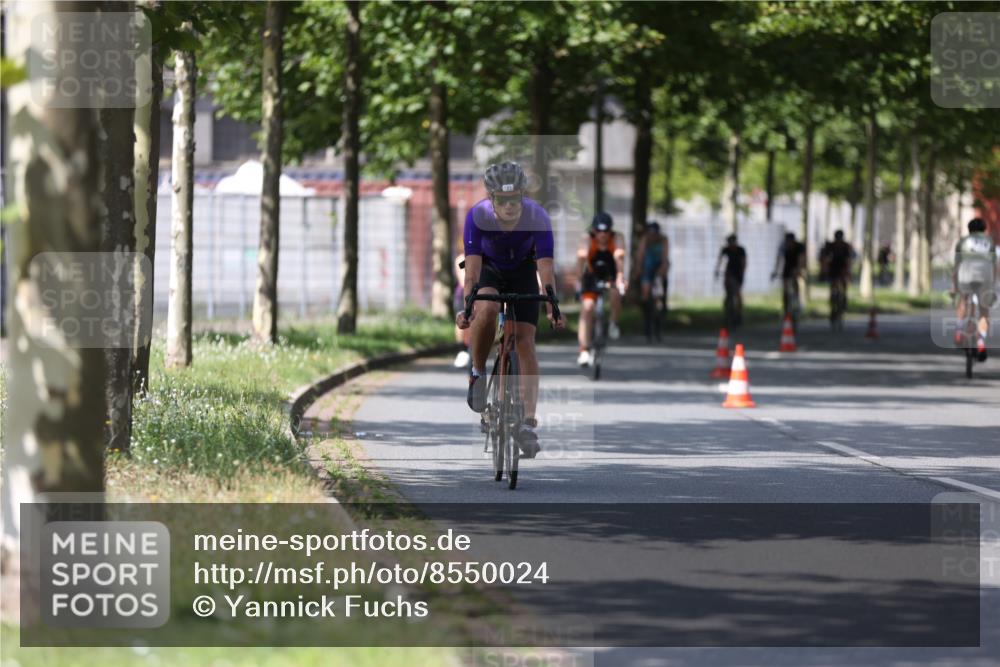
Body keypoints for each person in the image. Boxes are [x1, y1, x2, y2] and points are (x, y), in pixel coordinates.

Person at [456, 161, 565, 457]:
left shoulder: (537, 216)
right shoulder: (477, 216)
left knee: (525, 342)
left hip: (522, 270)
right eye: (502, 200)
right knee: (487, 309)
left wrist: (552, 305)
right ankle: (478, 373)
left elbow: (545, 268)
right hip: (490, 270)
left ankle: (528, 423)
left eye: (514, 198)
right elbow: (472, 273)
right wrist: (469, 305)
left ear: (522, 196)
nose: (509, 206)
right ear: (491, 198)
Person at [576, 212, 626, 366]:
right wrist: (579, 282)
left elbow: (619, 256)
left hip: (611, 275)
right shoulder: (587, 238)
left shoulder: (617, 238)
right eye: (598, 231)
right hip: (592, 276)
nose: (602, 234)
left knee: (615, 293)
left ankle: (613, 323)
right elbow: (581, 256)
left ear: (610, 230)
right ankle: (584, 350)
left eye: (606, 231)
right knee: (587, 308)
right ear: (593, 230)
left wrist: (620, 279)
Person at [953, 217, 998, 361]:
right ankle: (980, 341)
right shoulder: (989, 241)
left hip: (966, 273)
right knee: (984, 310)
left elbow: (956, 266)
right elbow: (994, 266)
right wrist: (994, 284)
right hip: (985, 275)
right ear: (984, 229)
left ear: (969, 229)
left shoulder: (963, 241)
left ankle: (959, 331)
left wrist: (954, 286)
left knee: (963, 300)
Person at [634, 221, 670, 342]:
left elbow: (665, 258)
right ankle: (646, 319)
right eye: (650, 234)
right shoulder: (645, 240)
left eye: (654, 234)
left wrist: (661, 273)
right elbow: (640, 256)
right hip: (648, 267)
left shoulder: (663, 240)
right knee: (645, 294)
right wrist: (638, 269)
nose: (652, 236)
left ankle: (660, 318)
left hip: (659, 267)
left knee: (659, 296)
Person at [771, 232, 807, 320]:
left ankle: (798, 300)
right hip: (788, 267)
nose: (789, 244)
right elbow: (779, 259)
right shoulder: (783, 247)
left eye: (790, 242)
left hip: (797, 265)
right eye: (788, 242)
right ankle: (786, 307)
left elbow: (801, 259)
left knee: (797, 281)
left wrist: (799, 270)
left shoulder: (799, 247)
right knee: (786, 288)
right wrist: (775, 271)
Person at [714, 234, 747, 327]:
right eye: (729, 243)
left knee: (738, 293)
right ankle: (728, 307)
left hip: (738, 273)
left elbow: (744, 262)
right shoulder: (725, 250)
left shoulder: (741, 250)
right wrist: (717, 270)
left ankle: (739, 313)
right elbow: (720, 260)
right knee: (728, 289)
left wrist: (743, 272)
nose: (731, 245)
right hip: (729, 272)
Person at [452, 253, 471, 368]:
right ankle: (461, 350)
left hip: (481, 293)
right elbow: (463, 280)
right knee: (461, 318)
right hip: (463, 295)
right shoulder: (460, 259)